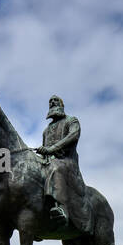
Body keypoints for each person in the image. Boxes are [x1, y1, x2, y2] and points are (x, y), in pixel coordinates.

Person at [35, 95, 86, 229]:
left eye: (55, 100)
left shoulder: (71, 120)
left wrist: (51, 149)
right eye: (50, 101)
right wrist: (43, 152)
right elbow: (46, 150)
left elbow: (73, 136)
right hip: (48, 162)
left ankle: (62, 209)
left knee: (55, 167)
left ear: (62, 105)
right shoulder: (46, 130)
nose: (52, 102)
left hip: (66, 162)